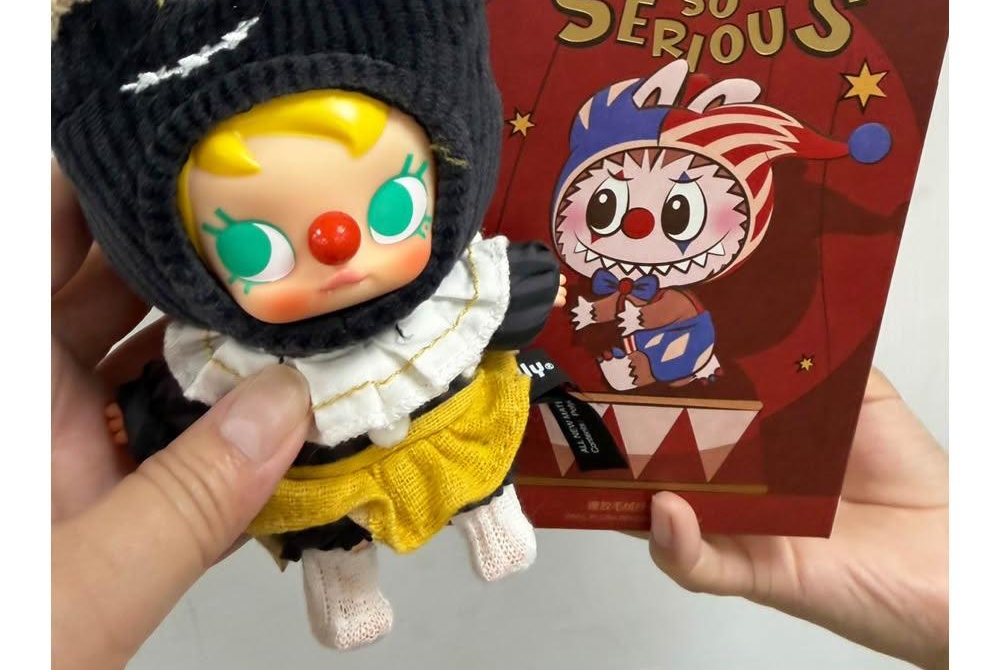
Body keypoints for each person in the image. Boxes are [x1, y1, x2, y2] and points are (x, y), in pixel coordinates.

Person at [51, 162, 948, 669]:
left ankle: (492, 514)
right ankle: (345, 583)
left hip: (451, 428)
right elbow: (182, 389)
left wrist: (521, 292)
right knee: (330, 530)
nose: (334, 243)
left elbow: (496, 310)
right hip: (321, 470)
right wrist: (145, 420)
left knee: (482, 458)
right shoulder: (221, 344)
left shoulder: (438, 284)